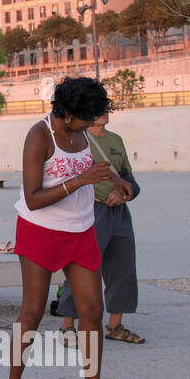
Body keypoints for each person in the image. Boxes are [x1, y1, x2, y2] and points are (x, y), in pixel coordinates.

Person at [5, 76, 132, 379]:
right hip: (39, 230)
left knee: (93, 309)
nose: (92, 123)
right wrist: (82, 180)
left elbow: (99, 170)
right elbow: (32, 197)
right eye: (86, 118)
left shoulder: (86, 132)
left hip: (80, 228)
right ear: (66, 111)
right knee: (32, 312)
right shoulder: (39, 136)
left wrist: (119, 183)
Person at [54, 111, 143, 344]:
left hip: (119, 212)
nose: (103, 112)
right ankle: (67, 326)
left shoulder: (116, 140)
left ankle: (115, 325)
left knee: (123, 268)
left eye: (106, 107)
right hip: (91, 210)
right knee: (82, 268)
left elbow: (129, 178)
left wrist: (123, 195)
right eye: (96, 108)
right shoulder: (77, 141)